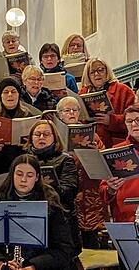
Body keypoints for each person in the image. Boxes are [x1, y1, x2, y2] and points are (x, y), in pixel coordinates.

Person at [0, 155, 76, 270]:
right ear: (12, 175)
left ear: (37, 177)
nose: (23, 180)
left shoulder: (51, 206)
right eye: (19, 174)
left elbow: (64, 250)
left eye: (29, 175)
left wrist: (34, 266)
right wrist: (1, 264)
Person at [0, 77, 40, 202]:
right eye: (6, 92)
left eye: (13, 91)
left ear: (18, 94)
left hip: (22, 167)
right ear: (0, 96)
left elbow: (37, 146)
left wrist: (28, 145)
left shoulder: (29, 116)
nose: (10, 95)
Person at [56, 96, 108, 248]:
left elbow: (106, 166)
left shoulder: (92, 135)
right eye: (67, 110)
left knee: (90, 244)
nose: (71, 113)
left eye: (75, 110)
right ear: (59, 114)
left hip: (89, 196)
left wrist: (96, 153)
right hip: (65, 196)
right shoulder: (54, 135)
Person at [24, 120, 81, 256]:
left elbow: (70, 192)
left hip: (60, 223)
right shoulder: (24, 160)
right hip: (31, 223)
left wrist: (48, 185)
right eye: (37, 134)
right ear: (31, 139)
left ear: (55, 137)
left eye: (46, 134)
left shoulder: (65, 160)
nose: (41, 137)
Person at [79, 58, 137, 147]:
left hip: (116, 142)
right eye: (92, 72)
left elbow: (135, 118)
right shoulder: (82, 93)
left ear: (107, 72)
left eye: (100, 70)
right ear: (88, 76)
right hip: (92, 144)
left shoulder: (123, 90)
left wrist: (111, 120)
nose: (97, 74)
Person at [100, 105, 139, 222]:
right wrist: (111, 189)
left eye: (138, 120)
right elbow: (103, 190)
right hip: (126, 217)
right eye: (129, 121)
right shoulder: (116, 150)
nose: (134, 124)